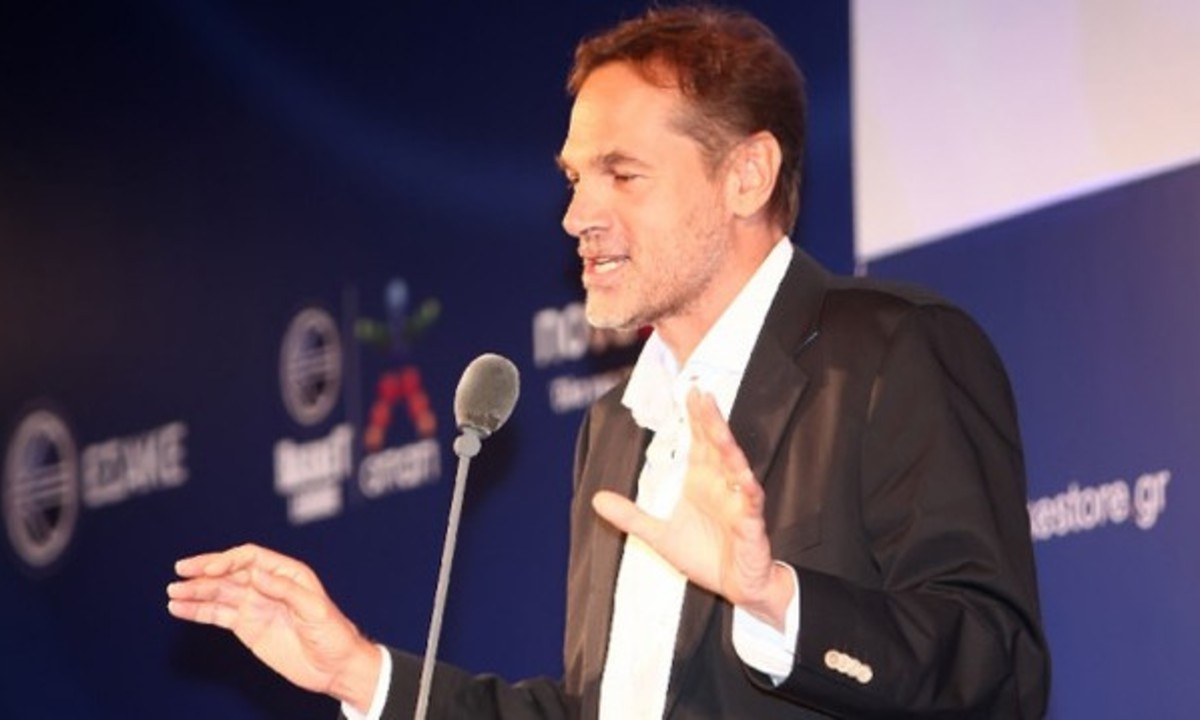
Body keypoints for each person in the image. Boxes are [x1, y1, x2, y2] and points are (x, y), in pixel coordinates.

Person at [167, 5, 1050, 718]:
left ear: (746, 175)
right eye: (573, 178)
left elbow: (999, 671)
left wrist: (775, 598)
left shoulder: (892, 352)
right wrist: (361, 674)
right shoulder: (617, 426)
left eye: (622, 175)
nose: (576, 217)